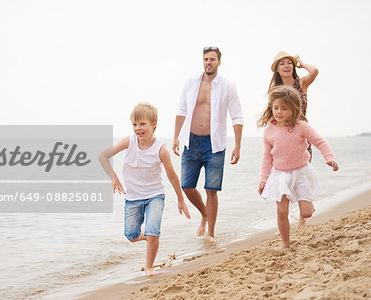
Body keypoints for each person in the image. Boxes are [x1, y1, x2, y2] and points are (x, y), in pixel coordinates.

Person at [99, 102, 191, 276]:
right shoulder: (129, 141)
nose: (138, 128)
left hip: (155, 195)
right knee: (132, 235)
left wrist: (180, 199)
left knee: (153, 231)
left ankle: (149, 266)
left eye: (142, 124)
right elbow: (103, 156)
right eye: (134, 124)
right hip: (133, 197)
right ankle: (149, 237)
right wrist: (114, 177)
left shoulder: (161, 150)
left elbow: (172, 176)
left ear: (153, 124)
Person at [173, 46, 243, 239]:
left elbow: (237, 116)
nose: (208, 62)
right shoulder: (191, 82)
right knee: (187, 186)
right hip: (191, 141)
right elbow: (181, 109)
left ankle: (210, 234)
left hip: (215, 145)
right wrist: (176, 137)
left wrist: (237, 145)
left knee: (211, 190)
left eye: (212, 59)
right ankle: (204, 214)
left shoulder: (228, 85)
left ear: (219, 62)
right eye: (206, 59)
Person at [257, 86, 339, 249]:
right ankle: (286, 243)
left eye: (284, 108)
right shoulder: (269, 132)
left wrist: (329, 158)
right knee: (281, 211)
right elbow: (267, 157)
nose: (279, 112)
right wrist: (263, 179)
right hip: (280, 174)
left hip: (301, 171)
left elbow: (319, 141)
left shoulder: (301, 126)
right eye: (276, 108)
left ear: (293, 109)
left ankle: (308, 205)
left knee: (307, 213)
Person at [269, 50, 319, 228]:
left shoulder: (301, 84)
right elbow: (272, 115)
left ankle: (302, 218)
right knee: (283, 177)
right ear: (277, 69)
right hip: (283, 137)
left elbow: (314, 71)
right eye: (282, 64)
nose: (286, 66)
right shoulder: (275, 91)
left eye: (289, 63)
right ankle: (284, 221)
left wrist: (302, 63)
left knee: (301, 175)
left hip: (301, 134)